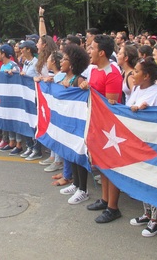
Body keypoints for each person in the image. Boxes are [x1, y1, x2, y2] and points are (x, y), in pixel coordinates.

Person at [80, 35, 123, 223]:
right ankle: (105, 200)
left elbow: (111, 104)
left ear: (102, 52)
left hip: (109, 127)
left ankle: (113, 207)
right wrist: (85, 85)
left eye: (93, 48)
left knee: (111, 165)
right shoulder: (95, 70)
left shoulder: (112, 72)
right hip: (97, 122)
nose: (89, 51)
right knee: (102, 164)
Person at [127, 57, 157, 236]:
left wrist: (146, 110)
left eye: (136, 71)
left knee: (152, 179)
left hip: (152, 142)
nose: (133, 74)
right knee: (141, 177)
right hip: (136, 141)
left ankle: (156, 219)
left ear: (147, 75)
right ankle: (146, 212)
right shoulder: (135, 89)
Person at [57, 44, 91, 204]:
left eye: (64, 59)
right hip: (67, 122)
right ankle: (76, 184)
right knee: (71, 152)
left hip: (78, 124)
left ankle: (83, 189)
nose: (61, 62)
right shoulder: (63, 78)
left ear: (72, 64)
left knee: (78, 154)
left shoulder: (79, 80)